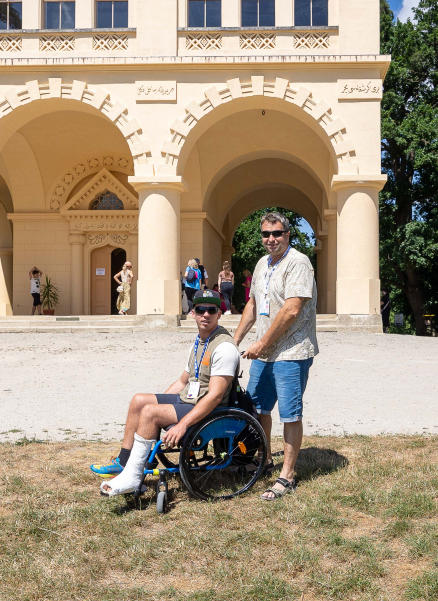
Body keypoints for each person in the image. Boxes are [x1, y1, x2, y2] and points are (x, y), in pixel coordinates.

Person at [92, 290, 241, 494]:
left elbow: (215, 397)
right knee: (139, 401)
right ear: (193, 313)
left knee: (150, 413)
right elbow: (182, 381)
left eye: (212, 310)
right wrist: (161, 407)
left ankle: (133, 477)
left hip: (211, 409)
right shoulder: (199, 342)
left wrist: (181, 425)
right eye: (200, 309)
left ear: (219, 314)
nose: (206, 314)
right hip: (190, 399)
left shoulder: (224, 347)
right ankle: (124, 462)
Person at [233, 212, 318, 501]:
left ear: (287, 234)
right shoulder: (262, 263)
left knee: (290, 414)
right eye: (266, 234)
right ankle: (266, 460)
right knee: (258, 408)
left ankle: (287, 476)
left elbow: (292, 310)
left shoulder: (298, 262)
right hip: (265, 352)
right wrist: (234, 340)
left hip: (291, 351)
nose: (271, 239)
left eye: (277, 233)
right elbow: (253, 304)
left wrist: (261, 343)